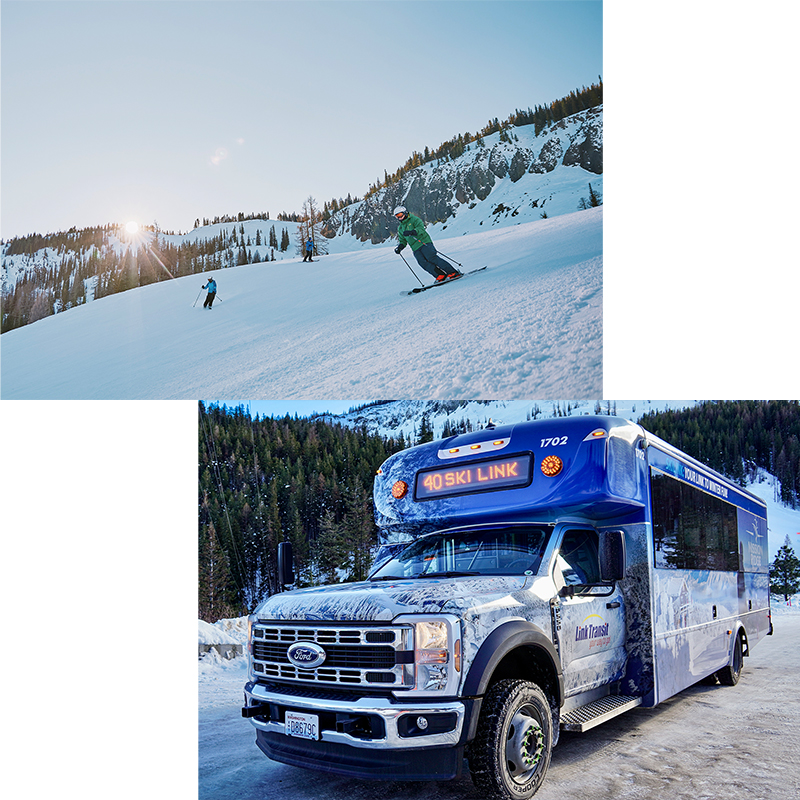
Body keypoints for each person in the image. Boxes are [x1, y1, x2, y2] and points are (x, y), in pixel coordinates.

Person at [393, 206, 461, 282]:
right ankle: (440, 275)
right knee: (422, 263)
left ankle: (452, 272)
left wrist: (412, 232)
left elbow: (421, 229)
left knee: (432, 258)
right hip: (415, 248)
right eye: (397, 216)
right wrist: (400, 247)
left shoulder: (414, 219)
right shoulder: (401, 228)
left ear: (405, 213)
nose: (399, 217)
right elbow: (403, 241)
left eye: (400, 215)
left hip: (424, 242)